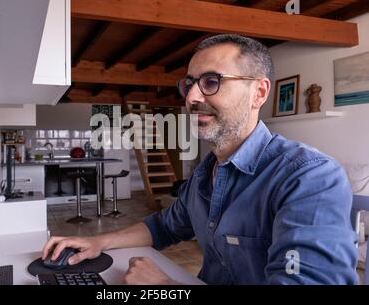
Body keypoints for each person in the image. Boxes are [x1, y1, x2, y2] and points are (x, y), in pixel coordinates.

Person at [42, 34, 359, 285]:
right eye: (190, 83)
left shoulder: (308, 178)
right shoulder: (203, 176)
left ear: (259, 93)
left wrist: (167, 286)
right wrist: (99, 242)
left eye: (211, 81)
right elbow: (164, 226)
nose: (192, 97)